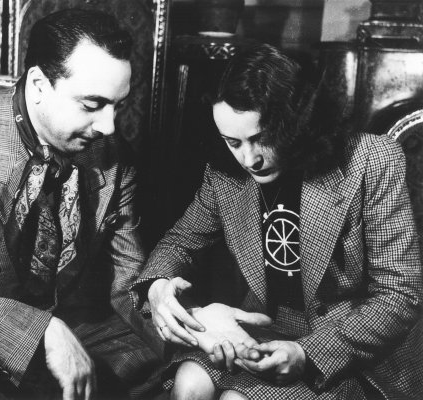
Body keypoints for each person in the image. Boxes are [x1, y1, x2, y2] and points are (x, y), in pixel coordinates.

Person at [130, 44, 423, 399]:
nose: (249, 159)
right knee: (188, 385)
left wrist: (307, 353)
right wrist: (158, 286)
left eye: (261, 139)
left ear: (297, 122)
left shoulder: (371, 159)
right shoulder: (224, 173)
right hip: (265, 330)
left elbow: (399, 293)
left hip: (347, 344)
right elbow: (180, 242)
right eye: (232, 142)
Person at [0, 8, 164, 400]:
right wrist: (37, 331)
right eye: (92, 104)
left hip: (76, 324)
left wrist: (192, 325)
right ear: (40, 84)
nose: (110, 127)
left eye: (119, 105)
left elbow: (128, 284)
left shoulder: (112, 153)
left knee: (173, 368)